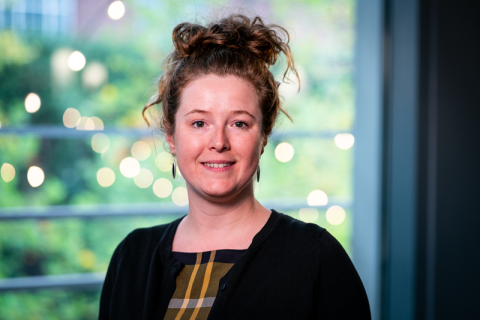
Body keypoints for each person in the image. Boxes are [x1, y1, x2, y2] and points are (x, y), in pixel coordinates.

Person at [99, 14, 371, 320]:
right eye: (199, 123)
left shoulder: (316, 258)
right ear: (172, 137)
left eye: (239, 123)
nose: (219, 141)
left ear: (264, 136)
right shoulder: (131, 257)